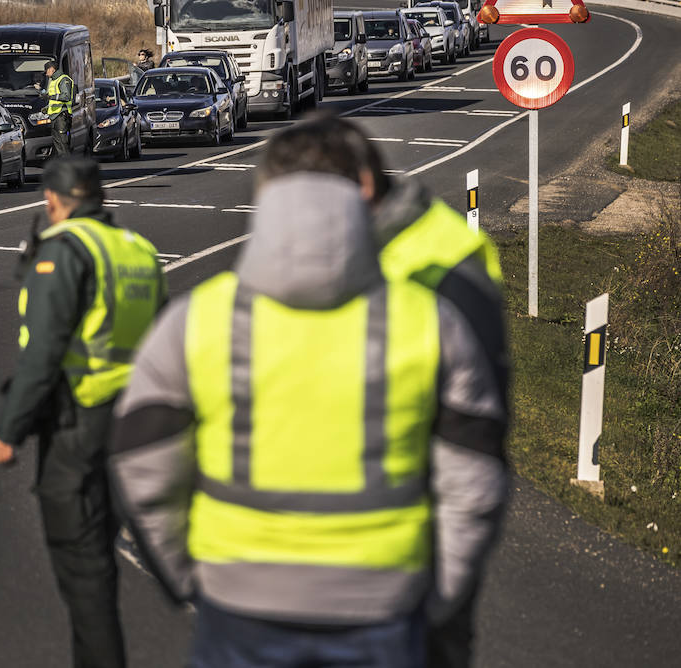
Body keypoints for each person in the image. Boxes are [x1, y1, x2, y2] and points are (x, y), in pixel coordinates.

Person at [109, 121, 508, 668]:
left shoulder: (200, 316)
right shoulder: (432, 311)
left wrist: (189, 578)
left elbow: (142, 458)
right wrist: (435, 593)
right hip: (386, 596)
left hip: (239, 602)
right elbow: (477, 466)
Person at [252, 113, 508, 668]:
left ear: (361, 187)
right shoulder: (345, 251)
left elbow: (474, 448)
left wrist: (438, 595)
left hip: (411, 566)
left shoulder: (443, 265)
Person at [0, 157, 166, 668]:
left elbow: (44, 350)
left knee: (83, 576)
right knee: (99, 565)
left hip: (75, 423)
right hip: (129, 424)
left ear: (53, 202)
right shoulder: (137, 251)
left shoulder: (65, 252)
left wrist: (9, 429)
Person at [44, 60, 74, 158]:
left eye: (46, 71)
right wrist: (47, 108)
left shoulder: (63, 79)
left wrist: (50, 97)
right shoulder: (53, 81)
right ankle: (63, 166)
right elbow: (54, 100)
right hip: (55, 116)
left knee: (63, 144)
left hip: (62, 116)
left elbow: (66, 96)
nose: (46, 73)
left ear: (52, 69)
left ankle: (68, 167)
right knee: (58, 145)